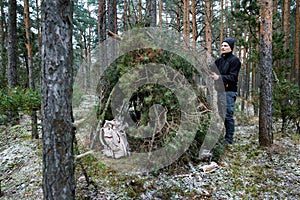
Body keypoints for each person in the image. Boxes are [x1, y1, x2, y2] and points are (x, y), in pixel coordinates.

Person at [210, 38, 241, 144]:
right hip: (220, 91)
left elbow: (233, 77)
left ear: (231, 48)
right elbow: (211, 68)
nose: (223, 47)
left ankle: (229, 139)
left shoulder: (234, 61)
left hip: (229, 91)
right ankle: (224, 136)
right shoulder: (219, 60)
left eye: (226, 46)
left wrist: (218, 77)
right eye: (222, 45)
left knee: (228, 115)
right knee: (221, 114)